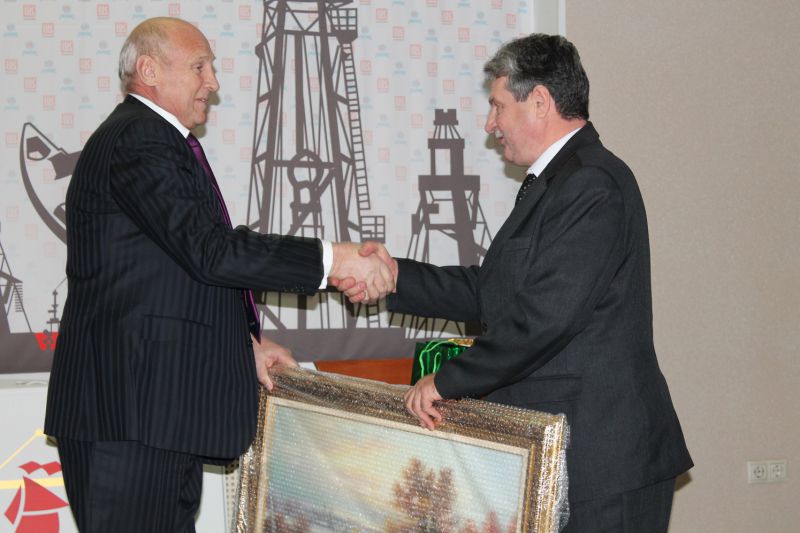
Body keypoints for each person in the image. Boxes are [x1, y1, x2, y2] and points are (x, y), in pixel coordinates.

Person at [44, 17, 393, 532]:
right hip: (130, 415)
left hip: (154, 414)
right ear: (149, 71)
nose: (213, 82)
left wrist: (243, 346)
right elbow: (210, 251)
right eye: (199, 66)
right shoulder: (140, 138)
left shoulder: (153, 139)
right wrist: (333, 260)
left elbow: (175, 272)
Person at [339, 33, 693, 532]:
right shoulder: (557, 183)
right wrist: (396, 276)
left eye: (498, 106)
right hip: (565, 455)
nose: (490, 124)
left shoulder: (593, 183)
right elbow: (492, 293)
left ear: (540, 101)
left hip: (603, 461)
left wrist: (446, 381)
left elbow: (546, 318)